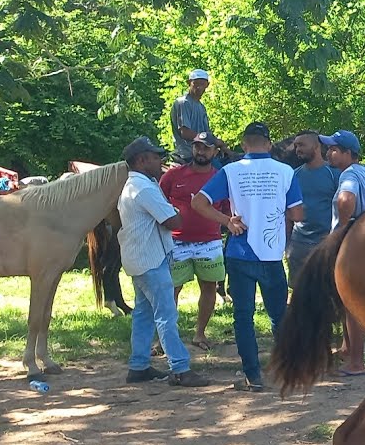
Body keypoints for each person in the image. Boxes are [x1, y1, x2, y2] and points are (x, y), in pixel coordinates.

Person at [192, 121, 304, 391]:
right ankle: (287, 369)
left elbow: (198, 202)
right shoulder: (286, 172)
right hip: (271, 254)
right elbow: (298, 214)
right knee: (279, 314)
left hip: (240, 252)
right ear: (269, 144)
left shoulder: (231, 171)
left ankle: (252, 376)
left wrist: (227, 221)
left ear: (244, 145)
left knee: (243, 316)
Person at [117, 136, 211, 387]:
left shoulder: (134, 185)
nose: (161, 161)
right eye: (155, 157)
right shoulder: (145, 188)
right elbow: (173, 222)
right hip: (151, 259)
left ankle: (139, 366)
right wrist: (177, 211)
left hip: (139, 258)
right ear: (141, 160)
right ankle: (179, 368)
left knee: (144, 313)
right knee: (166, 315)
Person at [159, 131, 229, 351]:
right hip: (176, 242)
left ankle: (200, 333)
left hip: (210, 242)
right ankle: (165, 337)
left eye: (206, 148)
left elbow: (227, 210)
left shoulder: (220, 178)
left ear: (215, 152)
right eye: (197, 146)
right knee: (171, 289)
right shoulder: (173, 175)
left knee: (209, 287)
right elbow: (158, 203)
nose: (201, 151)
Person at [322, 130, 365, 376]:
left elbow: (346, 199)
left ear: (348, 153)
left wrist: (342, 227)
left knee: (351, 302)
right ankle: (348, 349)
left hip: (352, 241)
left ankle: (356, 362)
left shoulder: (349, 174)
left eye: (334, 150)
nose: (329, 153)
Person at [287, 130, 339, 280]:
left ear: (316, 146)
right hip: (299, 243)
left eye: (302, 145)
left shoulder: (334, 173)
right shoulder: (293, 175)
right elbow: (287, 211)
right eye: (296, 146)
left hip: (326, 242)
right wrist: (287, 244)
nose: (298, 149)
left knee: (327, 287)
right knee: (299, 288)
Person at [169, 69, 212, 164]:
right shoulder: (183, 103)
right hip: (187, 154)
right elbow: (185, 133)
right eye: (196, 84)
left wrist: (217, 144)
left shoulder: (201, 107)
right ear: (189, 83)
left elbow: (206, 132)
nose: (199, 87)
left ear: (207, 85)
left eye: (202, 84)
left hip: (202, 151)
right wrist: (210, 140)